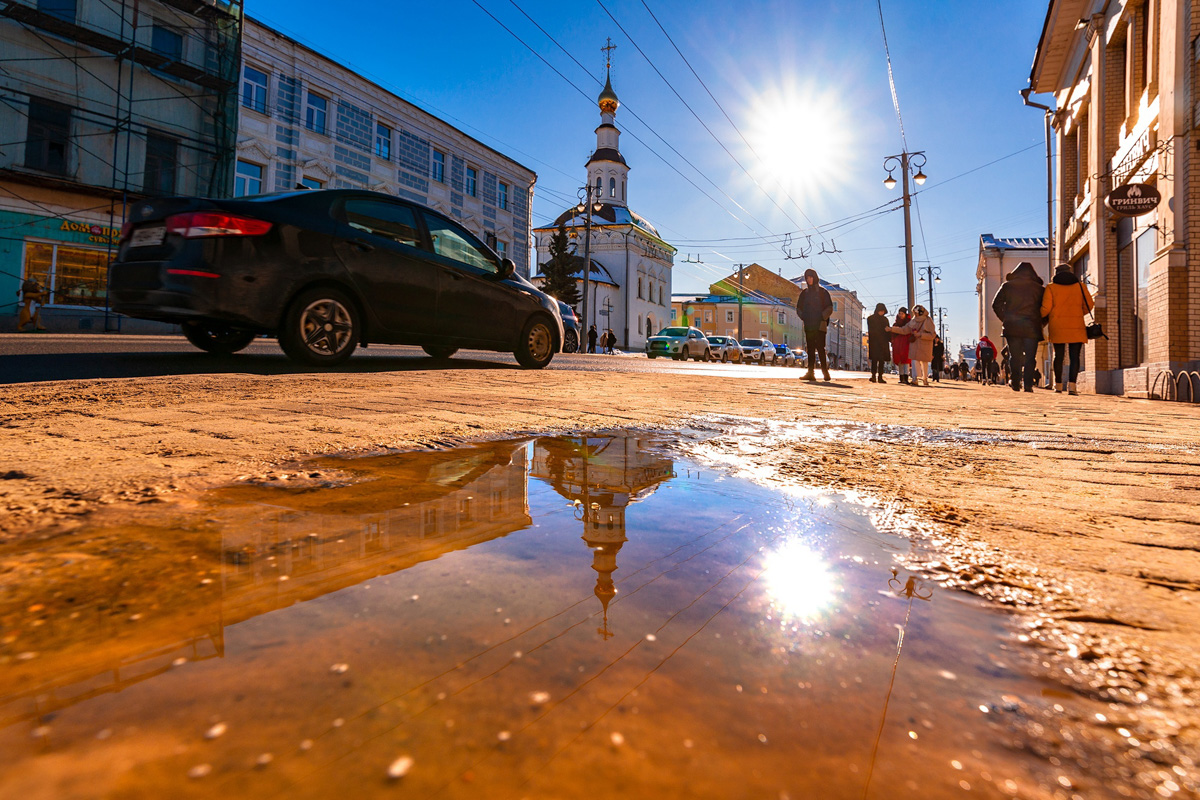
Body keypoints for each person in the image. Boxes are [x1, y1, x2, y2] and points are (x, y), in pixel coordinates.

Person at [991, 261, 1046, 393]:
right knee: (1030, 357)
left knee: (1014, 357)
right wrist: (1041, 323)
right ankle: (1028, 384)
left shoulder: (1007, 286)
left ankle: (1015, 383)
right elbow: (1046, 309)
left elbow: (995, 305)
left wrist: (1005, 319)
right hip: (1032, 328)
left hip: (1012, 327)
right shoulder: (1040, 289)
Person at [1040, 263, 1094, 396]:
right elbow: (1089, 304)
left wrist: (1039, 316)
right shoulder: (1080, 286)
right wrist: (1079, 313)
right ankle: (1072, 387)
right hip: (1076, 325)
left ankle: (1058, 385)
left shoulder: (1051, 287)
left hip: (1057, 325)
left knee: (1058, 356)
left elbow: (1046, 308)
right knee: (1074, 357)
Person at [795, 267, 833, 382]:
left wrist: (822, 317)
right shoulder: (804, 293)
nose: (809, 280)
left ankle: (825, 372)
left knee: (820, 348)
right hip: (809, 325)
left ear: (815, 278)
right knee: (810, 349)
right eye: (807, 278)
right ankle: (810, 372)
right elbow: (799, 308)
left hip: (820, 325)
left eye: (810, 277)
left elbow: (829, 308)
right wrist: (804, 317)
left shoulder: (823, 292)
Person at [890, 305, 937, 387]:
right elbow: (904, 330)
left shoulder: (927, 320)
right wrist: (892, 329)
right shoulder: (913, 321)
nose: (915, 314)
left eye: (916, 312)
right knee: (914, 361)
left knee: (924, 362)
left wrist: (920, 334)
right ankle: (915, 378)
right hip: (915, 344)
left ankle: (925, 378)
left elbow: (932, 335)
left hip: (925, 345)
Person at [866, 303, 891, 383]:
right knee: (874, 359)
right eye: (880, 311)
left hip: (883, 342)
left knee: (881, 360)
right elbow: (871, 330)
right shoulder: (871, 319)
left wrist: (889, 337)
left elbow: (888, 330)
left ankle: (880, 376)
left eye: (883, 311)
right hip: (875, 342)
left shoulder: (885, 319)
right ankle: (873, 375)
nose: (882, 312)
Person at [890, 307, 912, 384]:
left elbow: (907, 332)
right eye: (899, 313)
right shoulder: (895, 324)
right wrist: (893, 341)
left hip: (906, 344)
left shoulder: (909, 323)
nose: (900, 315)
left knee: (906, 361)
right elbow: (892, 335)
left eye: (902, 313)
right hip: (897, 345)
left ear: (905, 314)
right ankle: (901, 377)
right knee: (900, 361)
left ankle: (906, 377)